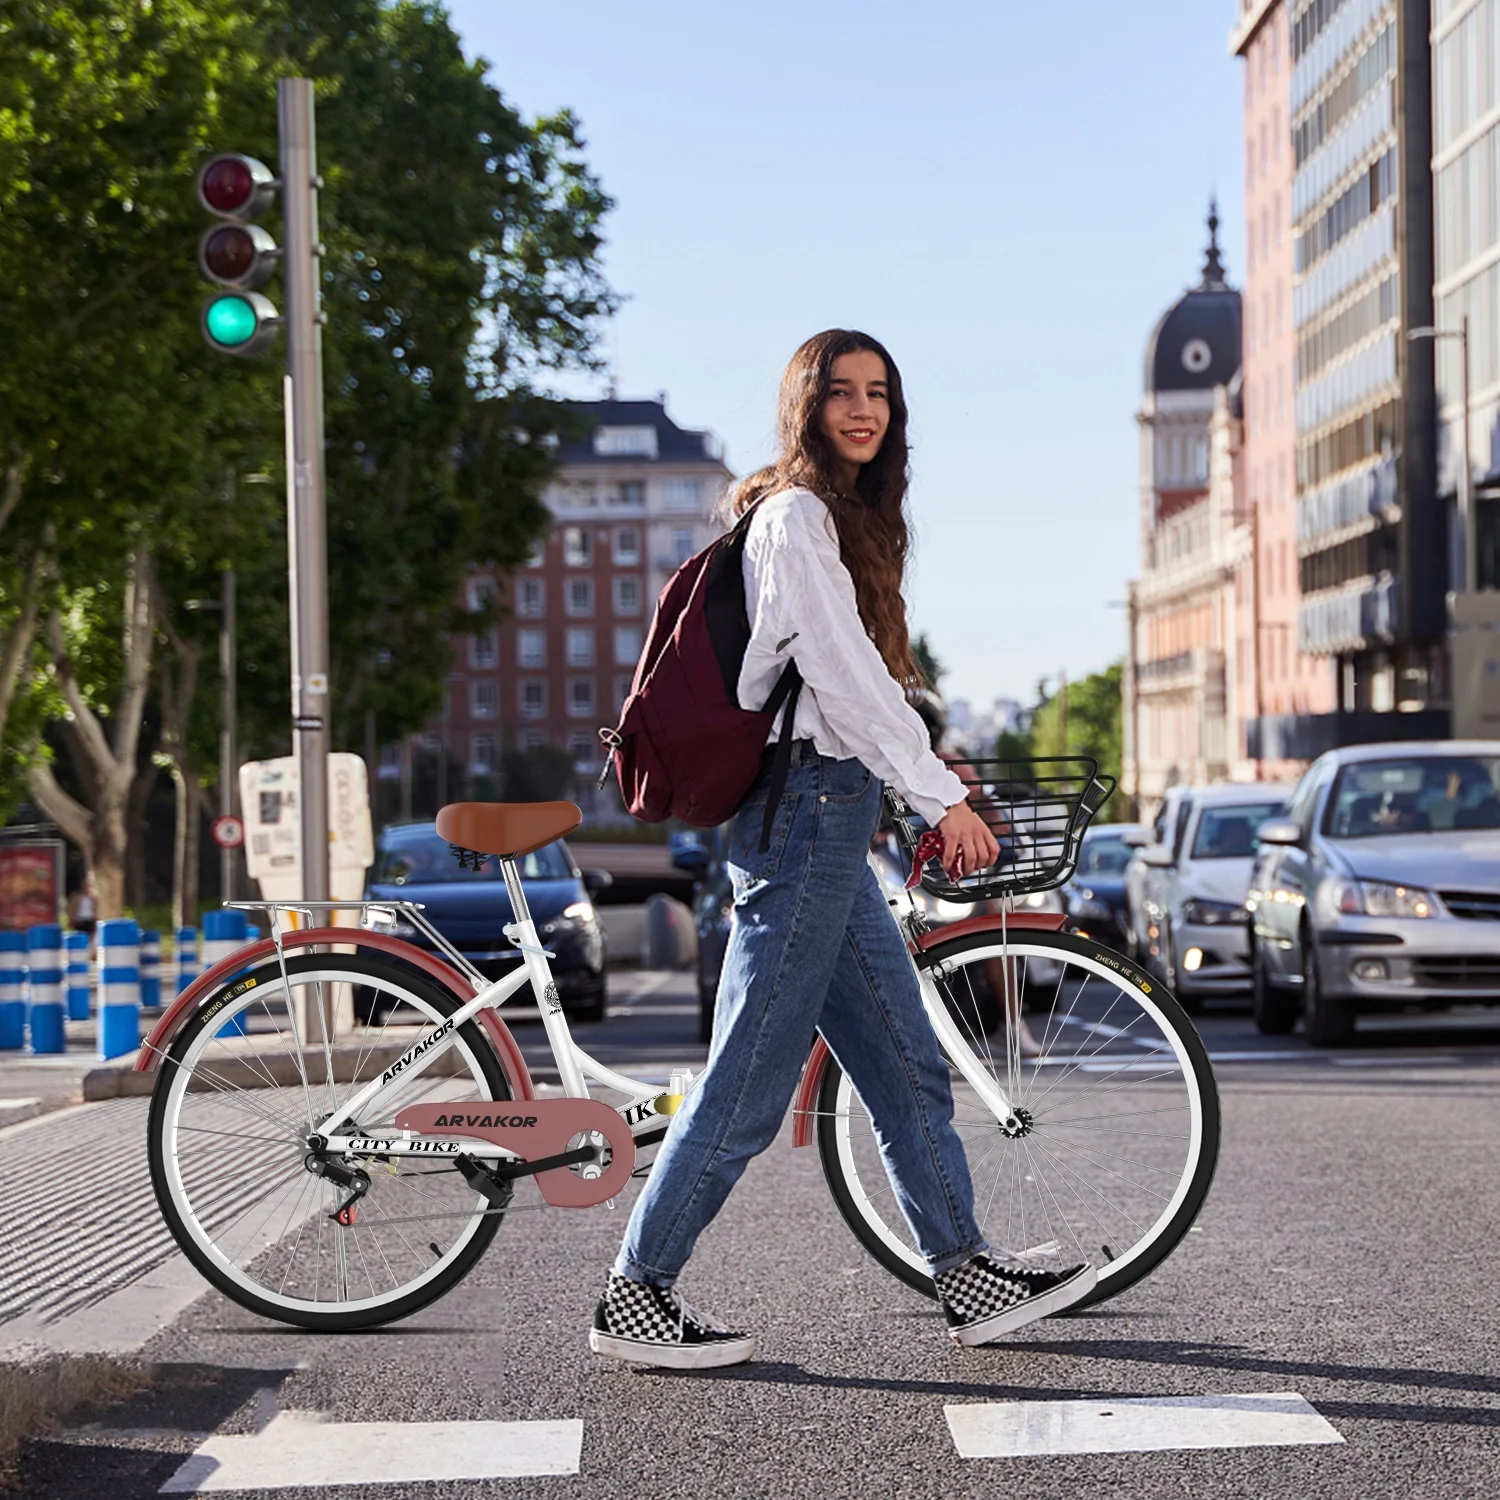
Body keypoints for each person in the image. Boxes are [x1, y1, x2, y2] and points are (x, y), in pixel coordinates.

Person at [589, 330, 1094, 1371]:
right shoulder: (796, 520)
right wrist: (940, 794)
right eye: (841, 394)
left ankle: (964, 1271)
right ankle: (636, 1293)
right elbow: (846, 682)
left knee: (907, 1063)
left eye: (880, 395)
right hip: (805, 817)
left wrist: (908, 780)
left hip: (829, 817)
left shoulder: (836, 522)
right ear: (804, 407)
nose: (863, 411)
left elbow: (858, 689)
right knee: (750, 1076)